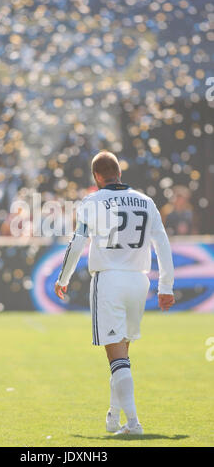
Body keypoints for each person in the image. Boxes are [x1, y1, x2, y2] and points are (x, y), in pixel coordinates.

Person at [54, 151, 175, 435]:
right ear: (118, 172)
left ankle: (133, 424)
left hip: (109, 281)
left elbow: (77, 242)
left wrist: (64, 278)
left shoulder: (92, 201)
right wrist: (166, 286)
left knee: (116, 357)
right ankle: (113, 417)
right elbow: (163, 244)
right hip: (139, 282)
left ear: (97, 176)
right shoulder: (146, 201)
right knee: (122, 356)